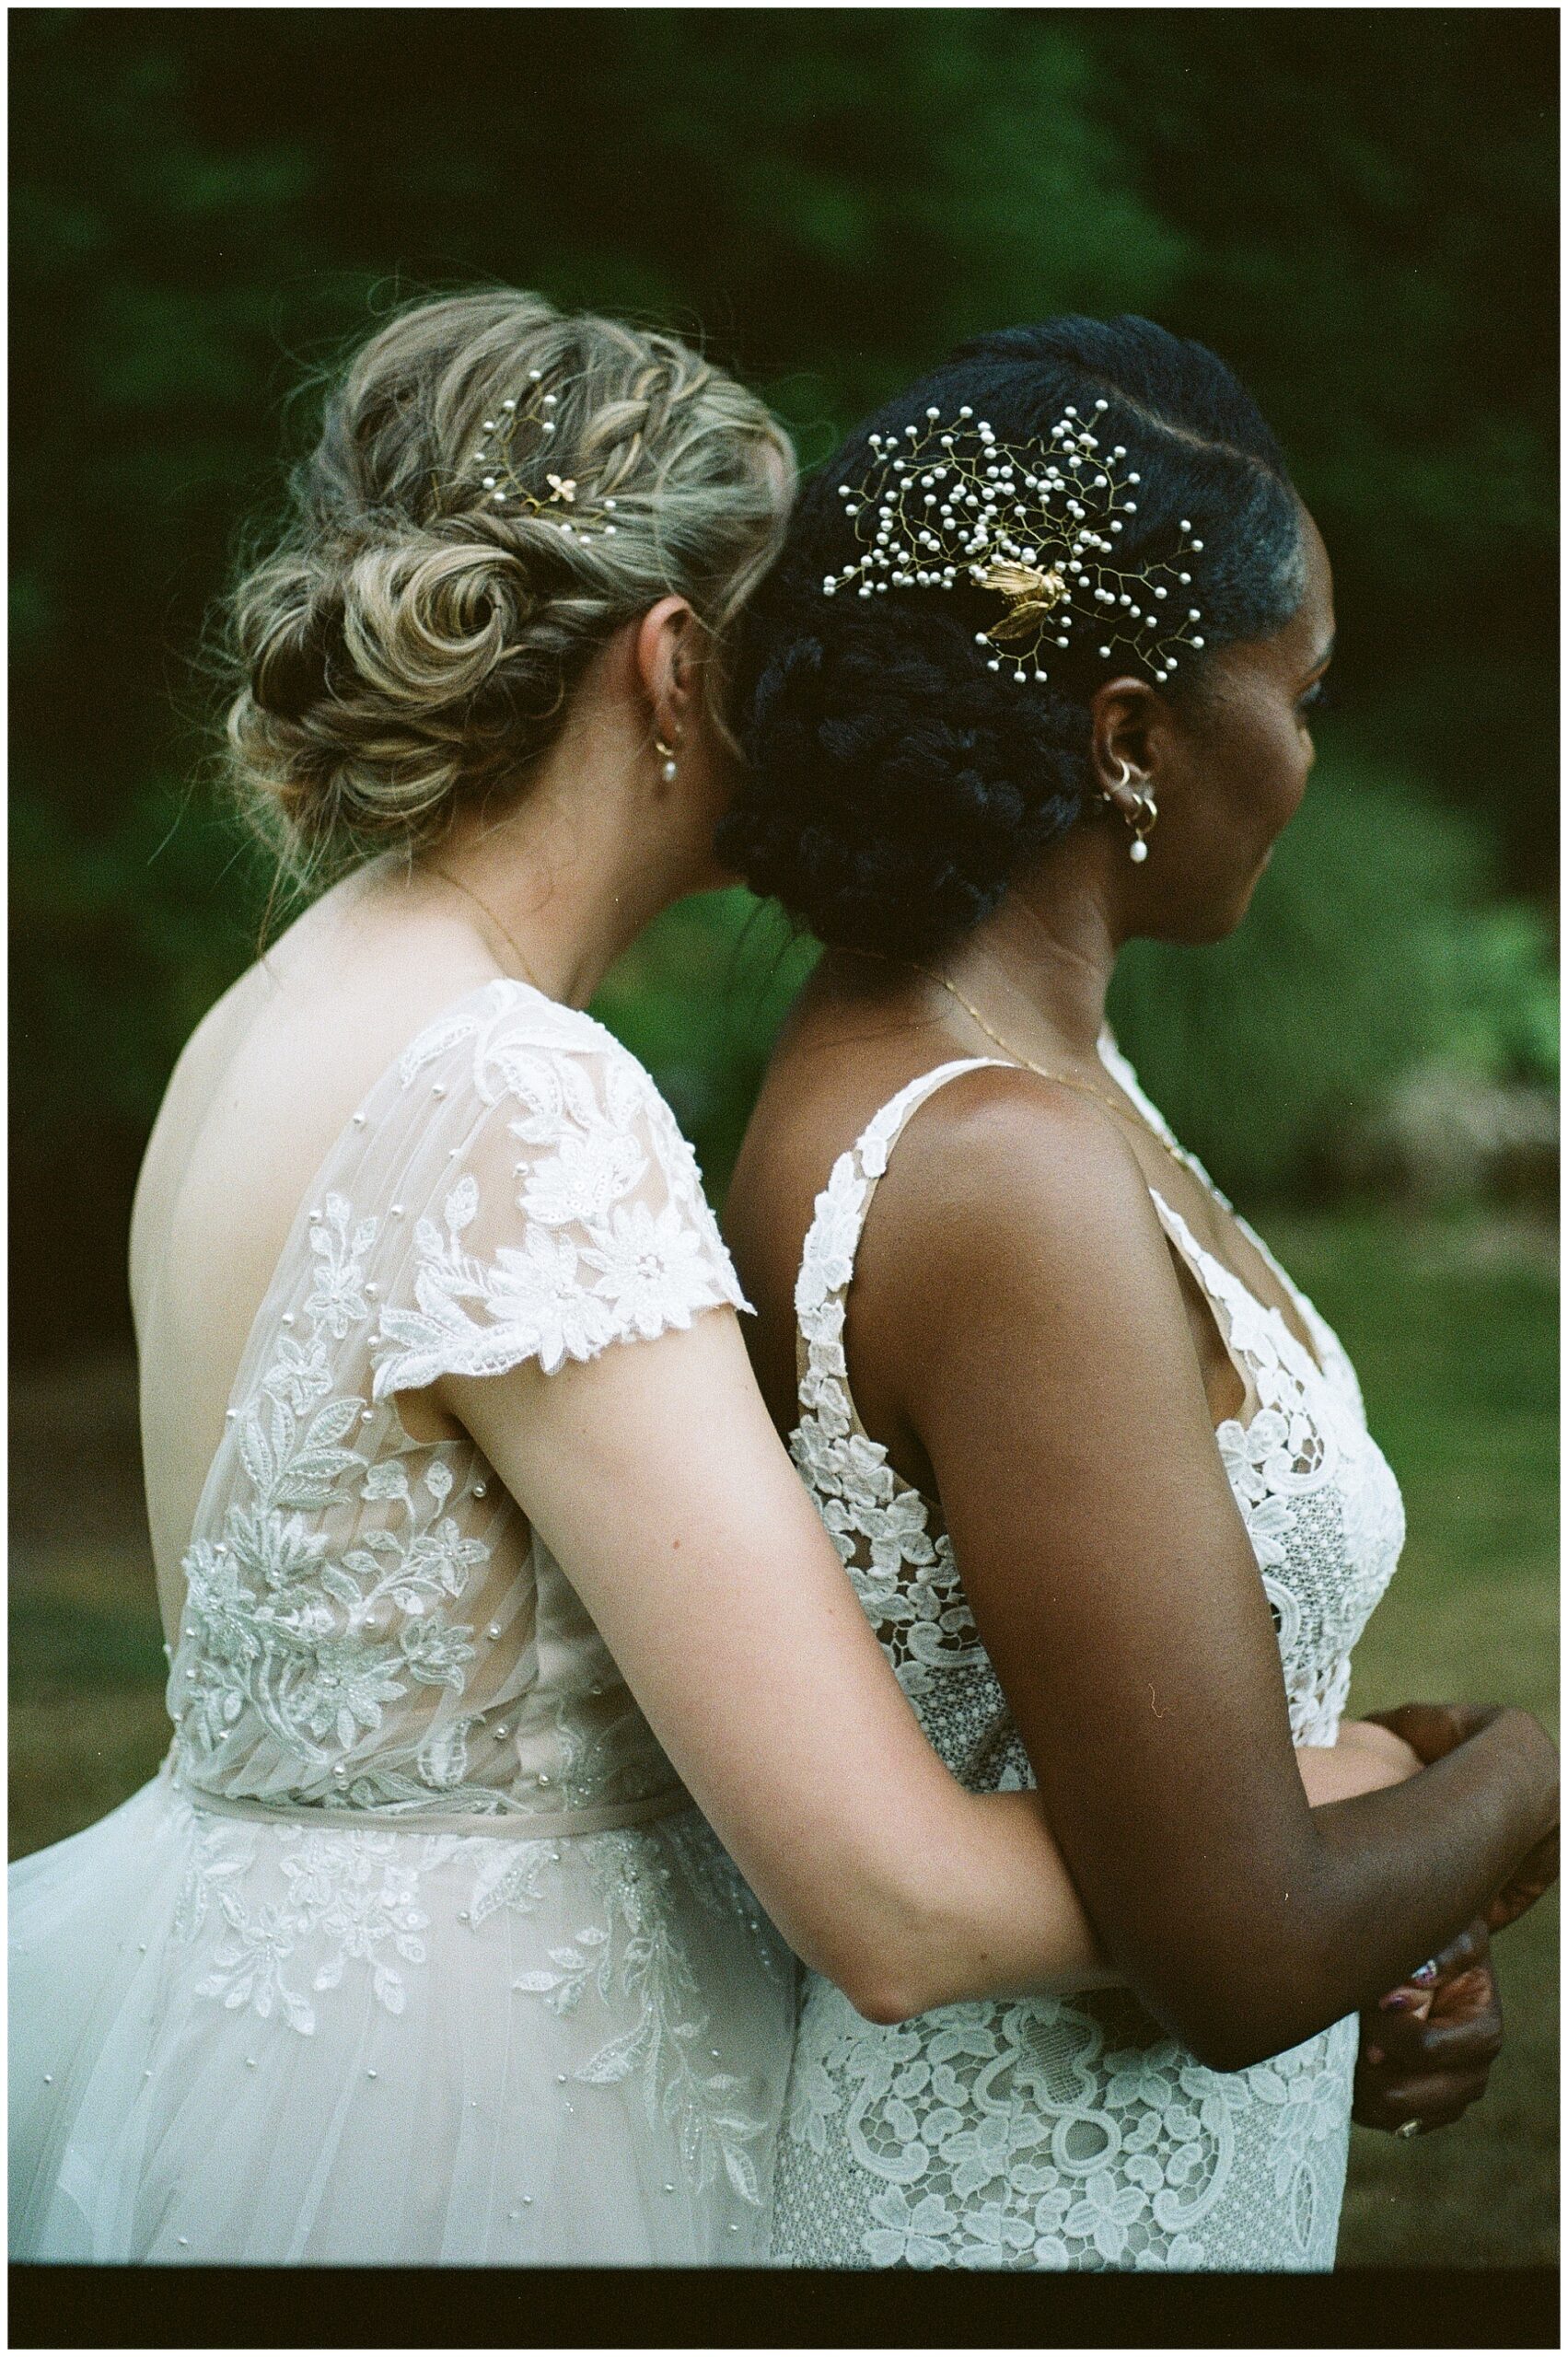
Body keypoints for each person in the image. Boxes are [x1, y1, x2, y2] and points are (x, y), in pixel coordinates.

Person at [4, 291, 1517, 2270]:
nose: (849, 702)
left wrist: (1339, 1840)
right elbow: (895, 1902)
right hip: (473, 2106)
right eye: (788, 657)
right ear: (669, 665)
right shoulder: (516, 1102)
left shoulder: (298, 1005)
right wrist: (1388, 1787)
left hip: (249, 2001)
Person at [719, 315, 1558, 2270]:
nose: (1315, 749)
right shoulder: (993, 1162)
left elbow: (1145, 1812)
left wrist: (1396, 1898)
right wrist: (1513, 1778)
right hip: (1015, 2234)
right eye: (1303, 686)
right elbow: (1232, 1943)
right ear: (1126, 739)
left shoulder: (1011, 1077)